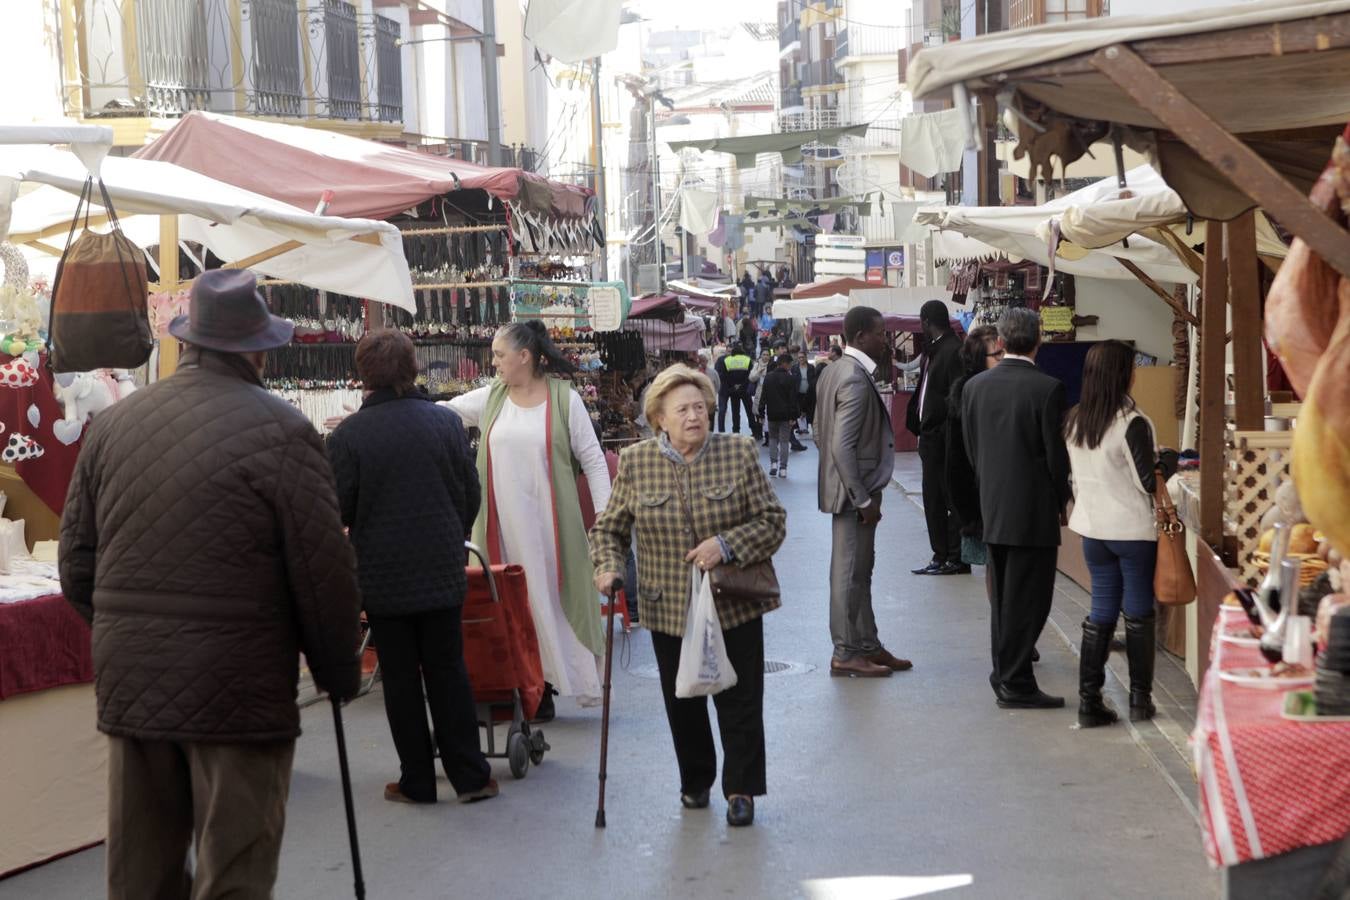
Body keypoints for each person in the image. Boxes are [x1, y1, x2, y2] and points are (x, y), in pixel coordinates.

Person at [58, 269, 362, 899]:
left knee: (141, 870)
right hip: (238, 681)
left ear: (189, 342)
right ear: (256, 349)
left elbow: (76, 565)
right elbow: (322, 574)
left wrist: (135, 627)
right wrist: (338, 671)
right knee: (235, 870)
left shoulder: (114, 427)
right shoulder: (284, 431)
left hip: (134, 676)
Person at [590, 365, 786, 827]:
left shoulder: (736, 452)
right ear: (659, 417)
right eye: (683, 409)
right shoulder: (637, 462)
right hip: (669, 604)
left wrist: (726, 545)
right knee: (684, 701)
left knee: (739, 699)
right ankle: (695, 781)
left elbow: (772, 521)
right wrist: (609, 568)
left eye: (701, 407)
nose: (695, 416)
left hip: (733, 600)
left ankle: (741, 789)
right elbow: (609, 529)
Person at [327, 330, 498, 805]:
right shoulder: (442, 424)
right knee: (448, 668)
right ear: (413, 368)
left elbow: (338, 508)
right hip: (441, 567)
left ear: (363, 375)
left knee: (400, 678)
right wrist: (449, 535)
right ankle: (470, 775)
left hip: (382, 576)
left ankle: (417, 781)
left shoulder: (348, 437)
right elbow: (470, 492)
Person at [444, 320, 612, 720]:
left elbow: (593, 460)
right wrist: (374, 416)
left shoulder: (563, 399)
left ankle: (549, 684)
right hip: (499, 526)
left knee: (550, 601)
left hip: (551, 529)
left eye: (500, 354)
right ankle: (520, 685)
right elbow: (441, 413)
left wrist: (606, 520)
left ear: (524, 357)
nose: (494, 362)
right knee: (508, 604)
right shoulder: (492, 397)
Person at [1065, 340, 1179, 728]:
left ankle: (1089, 701)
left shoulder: (1076, 419)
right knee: (1138, 612)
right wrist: (1167, 459)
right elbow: (1147, 482)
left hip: (1093, 530)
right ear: (1122, 374)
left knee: (1101, 611)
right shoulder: (1132, 422)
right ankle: (1139, 700)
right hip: (1131, 532)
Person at [962, 308, 1072, 710]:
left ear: (1002, 343)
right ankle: (1015, 681)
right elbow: (1055, 457)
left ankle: (1005, 673)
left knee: (1005, 600)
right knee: (1030, 600)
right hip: (1032, 510)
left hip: (994, 504)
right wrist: (1063, 500)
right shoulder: (1047, 388)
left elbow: (971, 448)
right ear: (1038, 341)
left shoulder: (975, 387)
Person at [815, 306, 910, 678]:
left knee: (860, 572)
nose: (885, 341)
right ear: (859, 337)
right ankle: (846, 651)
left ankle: (866, 643)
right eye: (880, 334)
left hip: (850, 490)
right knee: (849, 573)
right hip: (855, 495)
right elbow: (840, 444)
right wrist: (863, 498)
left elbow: (823, 432)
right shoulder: (853, 376)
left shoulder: (834, 371)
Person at [907, 301, 967, 577]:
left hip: (943, 436)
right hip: (931, 436)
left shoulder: (952, 350)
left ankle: (954, 556)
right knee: (933, 497)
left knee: (946, 496)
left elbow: (957, 396)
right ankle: (941, 554)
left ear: (926, 321)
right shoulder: (936, 350)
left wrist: (943, 430)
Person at [944, 325, 1003, 566]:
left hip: (1001, 501)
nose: (1004, 359)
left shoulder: (1004, 387)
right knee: (993, 568)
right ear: (980, 359)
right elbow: (955, 461)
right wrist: (968, 516)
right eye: (997, 355)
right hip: (980, 503)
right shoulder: (966, 396)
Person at [762, 353, 800, 479]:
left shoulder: (768, 377)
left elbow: (764, 396)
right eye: (790, 364)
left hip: (772, 414)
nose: (790, 366)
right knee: (784, 441)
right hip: (786, 415)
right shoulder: (790, 379)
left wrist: (761, 412)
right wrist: (794, 417)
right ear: (785, 363)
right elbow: (793, 399)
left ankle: (773, 464)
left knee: (773, 439)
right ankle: (783, 468)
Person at [714, 342, 758, 437]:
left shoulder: (727, 361)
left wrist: (733, 386)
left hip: (732, 390)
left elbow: (725, 376)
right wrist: (742, 385)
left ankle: (736, 431)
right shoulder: (747, 360)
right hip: (745, 389)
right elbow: (751, 375)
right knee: (749, 411)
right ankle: (755, 431)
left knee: (735, 412)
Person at [794, 350, 820, 434]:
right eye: (799, 357)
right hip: (798, 392)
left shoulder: (811, 367)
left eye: (802, 357)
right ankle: (801, 427)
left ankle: (810, 426)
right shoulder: (795, 368)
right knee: (800, 410)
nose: (801, 359)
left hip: (809, 392)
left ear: (806, 357)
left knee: (810, 410)